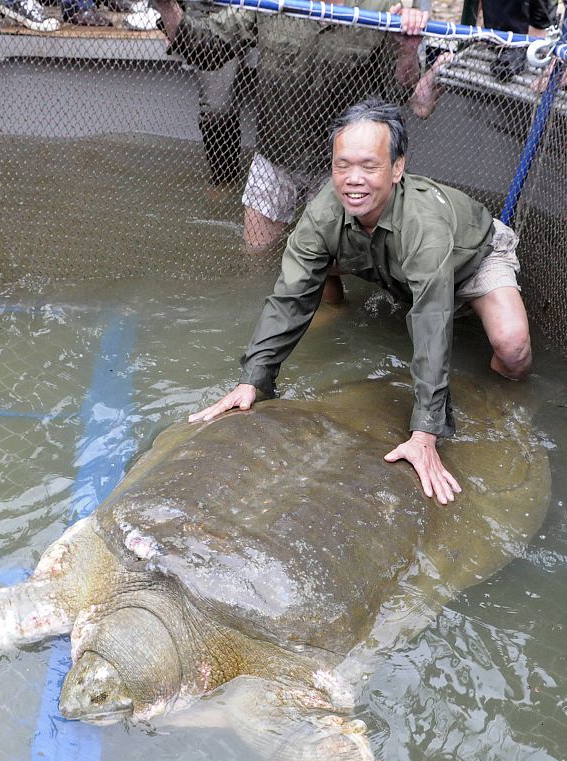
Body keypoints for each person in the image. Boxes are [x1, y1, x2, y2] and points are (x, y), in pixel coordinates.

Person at [188, 97, 532, 506]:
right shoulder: (324, 213)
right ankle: (339, 309)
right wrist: (253, 380)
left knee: (513, 349)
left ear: (398, 167)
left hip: (470, 259)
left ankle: (492, 395)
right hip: (383, 259)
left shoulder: (424, 225)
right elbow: (289, 296)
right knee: (317, 261)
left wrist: (424, 433)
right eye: (342, 165)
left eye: (369, 166)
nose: (353, 179)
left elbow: (432, 321)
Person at [152, 0, 429, 265]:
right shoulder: (269, 3)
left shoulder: (380, 8)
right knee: (255, 259)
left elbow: (397, 91)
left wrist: (407, 50)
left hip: (340, 166)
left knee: (331, 269)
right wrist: (166, 5)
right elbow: (205, 49)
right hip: (275, 155)